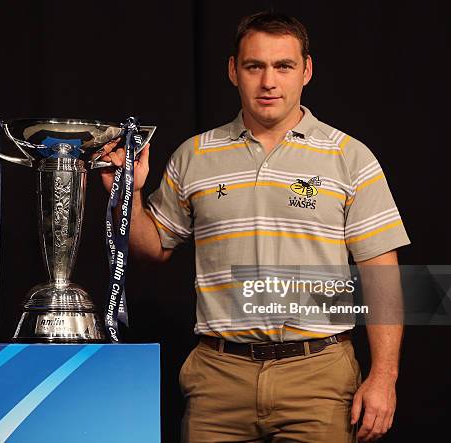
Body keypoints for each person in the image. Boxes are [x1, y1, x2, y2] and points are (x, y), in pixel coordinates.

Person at [101, 11, 410, 443]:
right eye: (254, 66)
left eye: (283, 66)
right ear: (233, 71)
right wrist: (126, 194)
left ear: (306, 71)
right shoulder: (194, 156)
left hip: (318, 378)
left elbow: (382, 277)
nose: (269, 81)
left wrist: (383, 377)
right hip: (218, 380)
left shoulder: (351, 157)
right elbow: (152, 248)